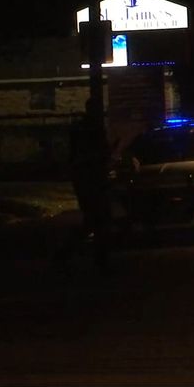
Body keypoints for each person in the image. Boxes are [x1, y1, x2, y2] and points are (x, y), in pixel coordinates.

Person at [60, 98, 112, 271]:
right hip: (91, 179)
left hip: (85, 179)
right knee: (98, 219)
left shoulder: (81, 128)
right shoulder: (93, 129)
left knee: (93, 220)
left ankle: (68, 254)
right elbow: (98, 154)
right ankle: (97, 258)